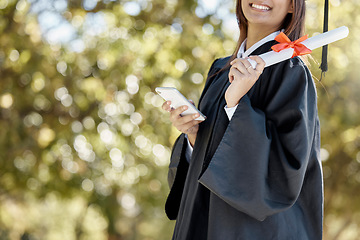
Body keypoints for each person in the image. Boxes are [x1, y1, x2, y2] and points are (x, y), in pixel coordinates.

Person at [161, 0, 323, 239]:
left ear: (292, 6)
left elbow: (286, 171)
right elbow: (203, 168)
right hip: (203, 222)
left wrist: (236, 104)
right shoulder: (220, 70)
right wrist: (194, 135)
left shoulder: (290, 71)